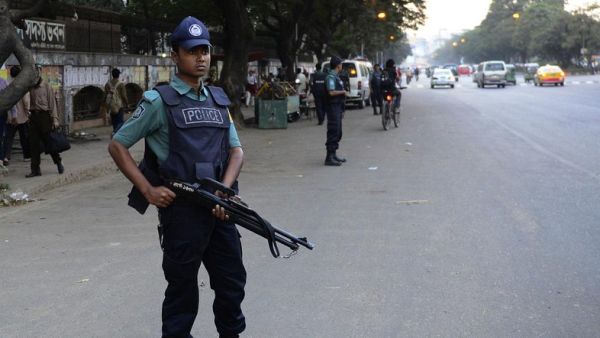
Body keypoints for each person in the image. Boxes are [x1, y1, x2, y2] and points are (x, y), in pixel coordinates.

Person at [108, 16, 246, 338]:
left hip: (219, 209)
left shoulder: (218, 99)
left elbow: (236, 151)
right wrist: (148, 190)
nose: (201, 58)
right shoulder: (158, 101)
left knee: (231, 284)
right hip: (182, 214)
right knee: (182, 292)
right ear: (175, 55)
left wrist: (224, 191)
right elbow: (118, 145)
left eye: (205, 51)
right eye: (192, 51)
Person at [27, 75, 64, 177]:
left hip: (45, 117)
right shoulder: (30, 87)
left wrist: (55, 119)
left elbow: (52, 104)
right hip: (34, 116)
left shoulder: (47, 87)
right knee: (34, 144)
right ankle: (35, 170)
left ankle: (58, 162)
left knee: (49, 143)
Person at [3, 66, 31, 165]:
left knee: (8, 137)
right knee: (24, 137)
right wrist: (28, 112)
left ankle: (6, 157)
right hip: (22, 116)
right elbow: (26, 101)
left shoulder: (6, 84)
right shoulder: (22, 85)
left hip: (9, 116)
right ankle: (27, 156)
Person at [324, 56, 347, 166]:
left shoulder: (336, 77)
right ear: (338, 65)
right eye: (341, 64)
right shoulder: (331, 77)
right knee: (333, 130)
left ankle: (334, 154)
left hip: (338, 107)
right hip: (333, 107)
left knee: (338, 131)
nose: (342, 66)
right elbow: (331, 92)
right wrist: (342, 92)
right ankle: (329, 157)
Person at [104, 68, 129, 134]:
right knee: (120, 121)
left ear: (112, 75)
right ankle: (118, 134)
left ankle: (115, 132)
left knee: (114, 121)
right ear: (118, 75)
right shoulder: (121, 84)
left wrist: (106, 107)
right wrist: (127, 103)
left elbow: (106, 96)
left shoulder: (107, 84)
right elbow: (124, 96)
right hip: (119, 105)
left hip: (111, 105)